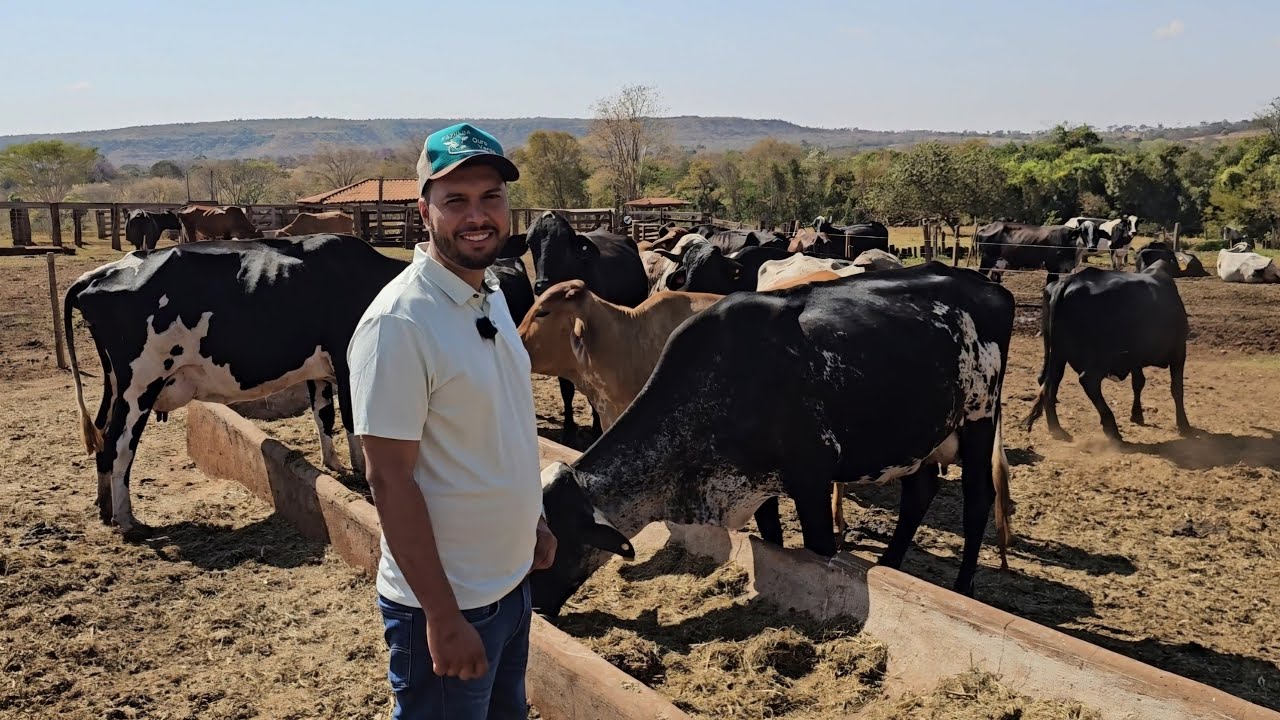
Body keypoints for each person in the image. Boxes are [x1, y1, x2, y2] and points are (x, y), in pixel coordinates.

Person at [347, 122, 557, 719]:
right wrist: (440, 617)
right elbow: (389, 478)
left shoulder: (489, 294)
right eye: (456, 200)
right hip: (448, 604)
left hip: (509, 586)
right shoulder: (400, 324)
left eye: (491, 197)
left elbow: (503, 424)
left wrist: (533, 521)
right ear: (424, 211)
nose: (477, 216)